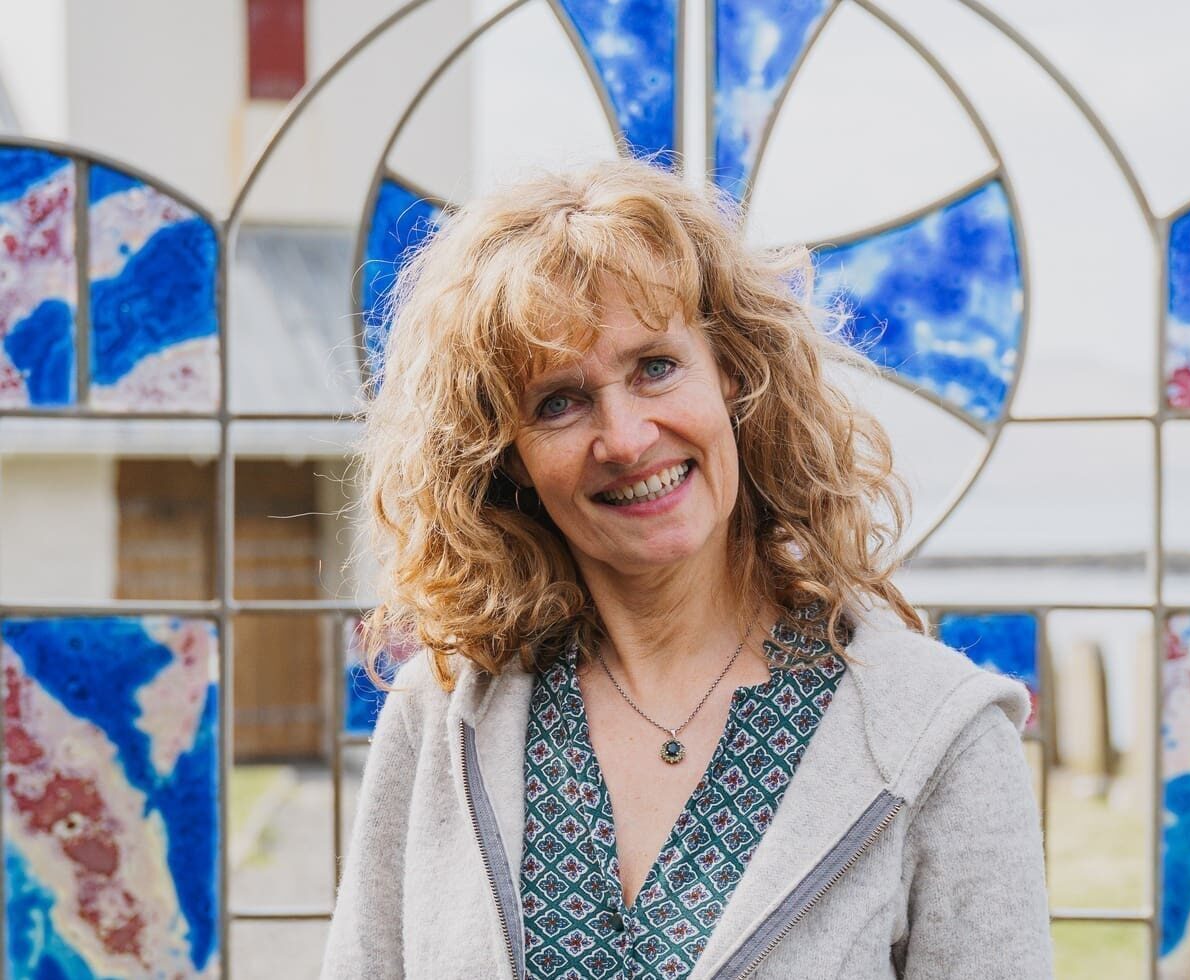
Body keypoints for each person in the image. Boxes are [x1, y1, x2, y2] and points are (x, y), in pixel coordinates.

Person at [321, 156, 1052, 979]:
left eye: (655, 367)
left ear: (733, 374)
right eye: (559, 402)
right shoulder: (441, 716)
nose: (626, 439)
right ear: (509, 456)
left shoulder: (940, 736)